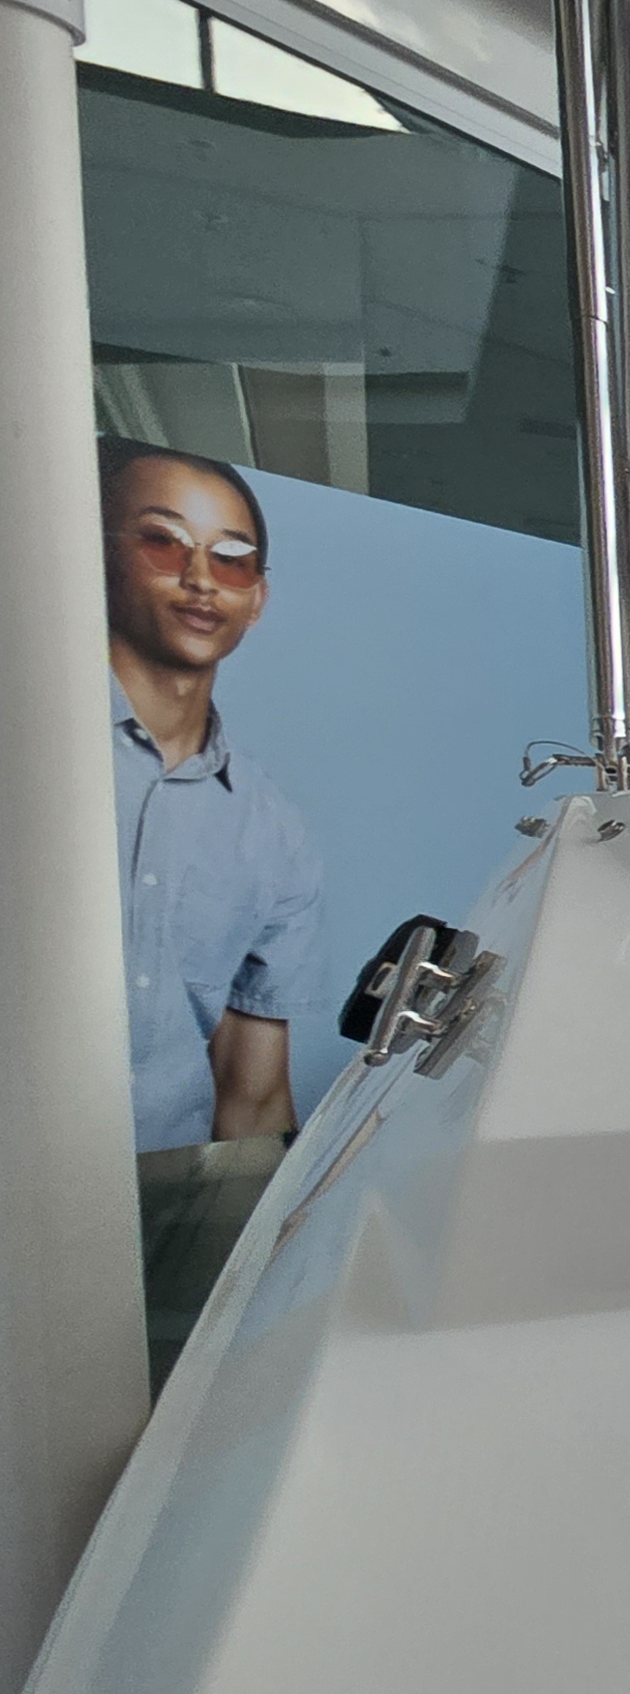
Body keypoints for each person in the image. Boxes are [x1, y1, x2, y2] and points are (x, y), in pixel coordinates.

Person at [101, 437, 320, 1378]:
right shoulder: (23, 746)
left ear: (257, 597)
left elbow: (253, 1095)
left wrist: (257, 1318)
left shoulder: (273, 834)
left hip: (150, 1237)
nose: (201, 579)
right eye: (163, 542)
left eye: (231, 558)